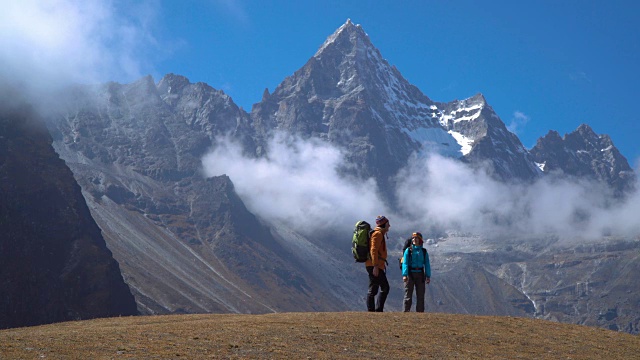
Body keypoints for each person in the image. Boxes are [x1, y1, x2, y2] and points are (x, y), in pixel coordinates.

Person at [365, 215, 390, 312]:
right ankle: (377, 310)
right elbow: (373, 250)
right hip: (375, 265)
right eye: (387, 224)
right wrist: (375, 265)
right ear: (383, 224)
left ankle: (373, 310)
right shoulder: (378, 234)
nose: (389, 226)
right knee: (385, 287)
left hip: (374, 264)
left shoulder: (378, 234)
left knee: (374, 287)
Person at [401, 232, 431, 312]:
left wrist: (428, 276)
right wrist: (405, 274)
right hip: (410, 274)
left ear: (420, 240)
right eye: (413, 238)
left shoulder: (424, 252)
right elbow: (405, 263)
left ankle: (420, 313)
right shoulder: (408, 250)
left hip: (420, 274)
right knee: (408, 295)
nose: (414, 239)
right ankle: (405, 312)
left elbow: (427, 264)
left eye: (416, 238)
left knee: (420, 295)